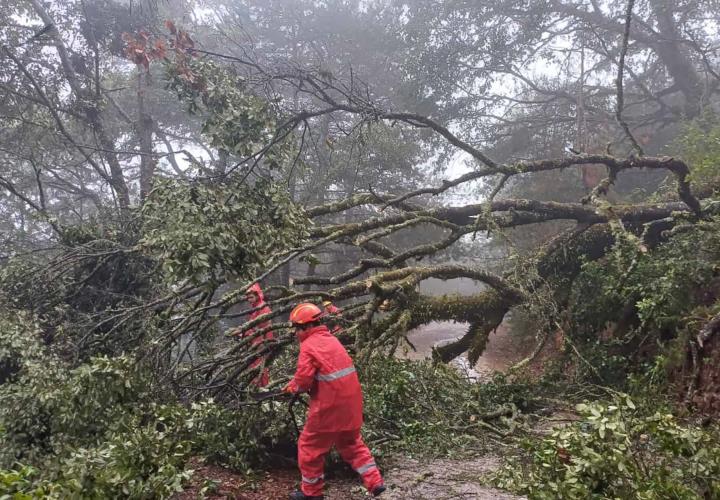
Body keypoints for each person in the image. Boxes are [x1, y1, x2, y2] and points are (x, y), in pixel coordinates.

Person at [284, 303, 385, 500]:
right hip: (352, 404)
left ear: (305, 327)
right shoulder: (331, 340)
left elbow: (304, 381)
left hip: (329, 407)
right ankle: (375, 482)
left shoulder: (308, 346)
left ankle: (312, 493)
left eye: (296, 329)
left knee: (309, 447)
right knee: (352, 443)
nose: (296, 333)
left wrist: (292, 388)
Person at [238, 283, 274, 387]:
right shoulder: (255, 308)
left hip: (262, 342)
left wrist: (244, 334)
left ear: (258, 295)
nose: (249, 300)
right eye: (248, 298)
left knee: (260, 366)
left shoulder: (262, 308)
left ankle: (261, 388)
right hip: (256, 342)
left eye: (251, 297)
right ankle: (257, 387)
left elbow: (258, 327)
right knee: (255, 365)